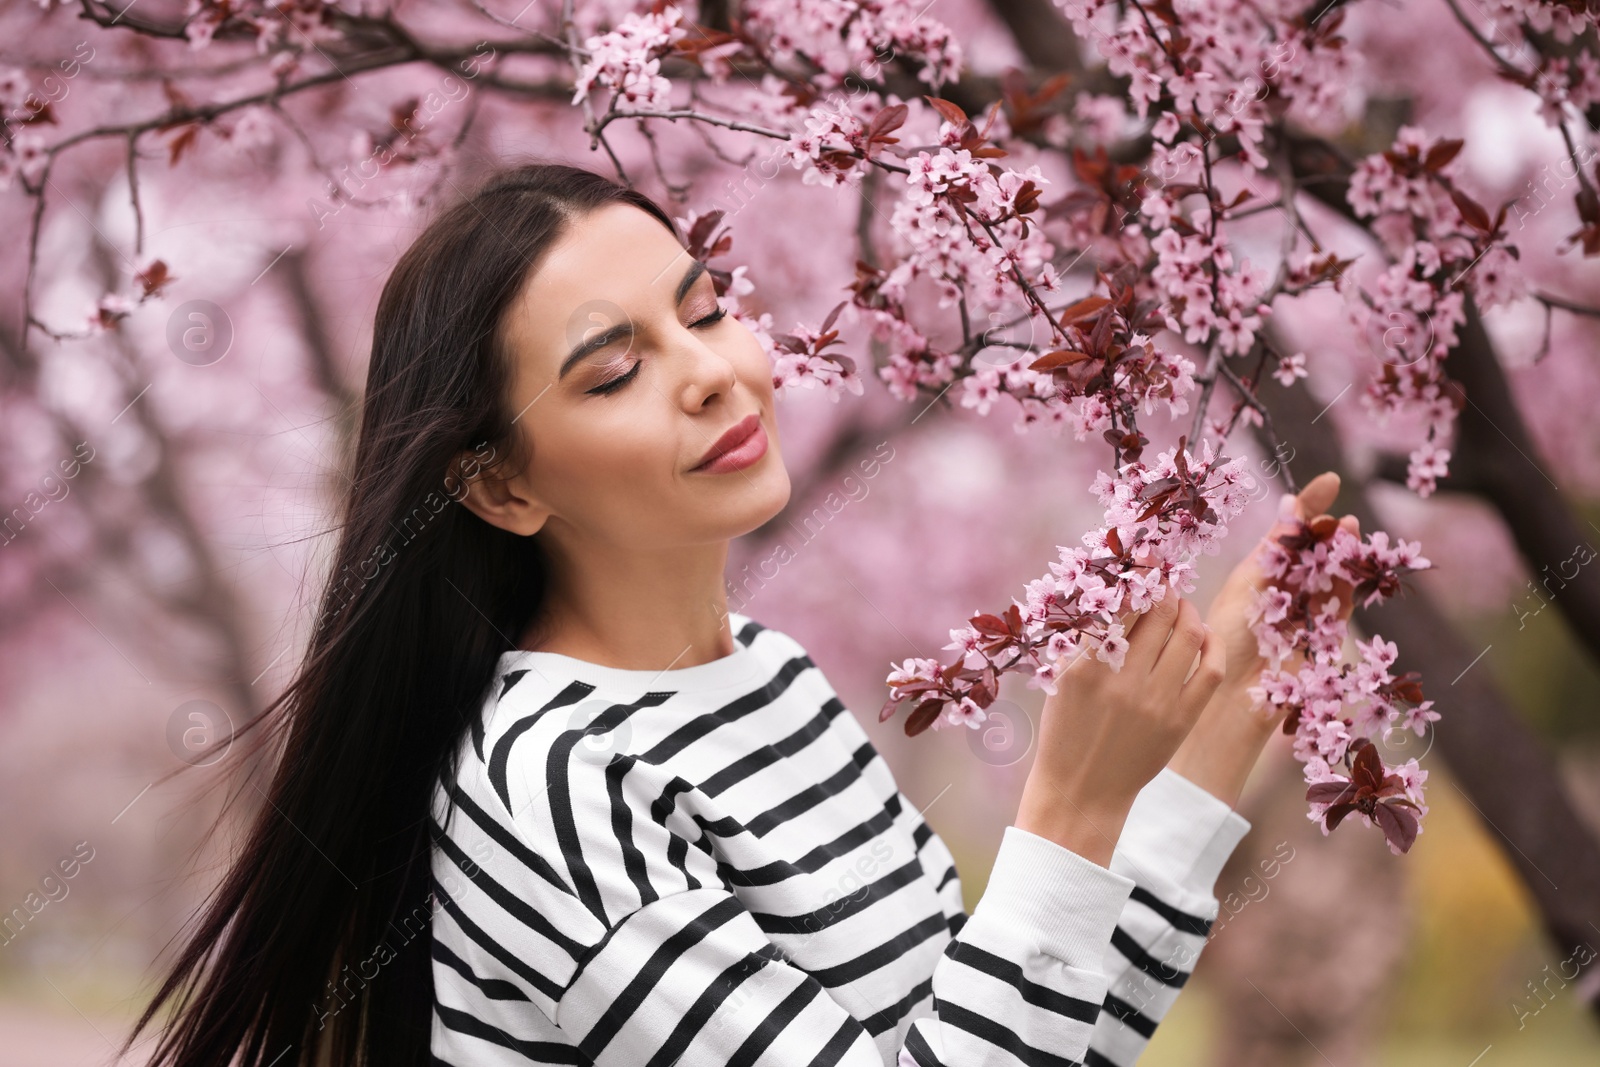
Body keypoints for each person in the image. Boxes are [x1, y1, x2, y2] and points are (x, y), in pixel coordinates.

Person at [123, 160, 1360, 1067]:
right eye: (616, 370)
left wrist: (1226, 715)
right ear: (500, 483)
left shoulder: (772, 678)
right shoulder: (550, 779)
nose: (713, 369)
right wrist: (1068, 808)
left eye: (705, 310)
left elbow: (1041, 1035)